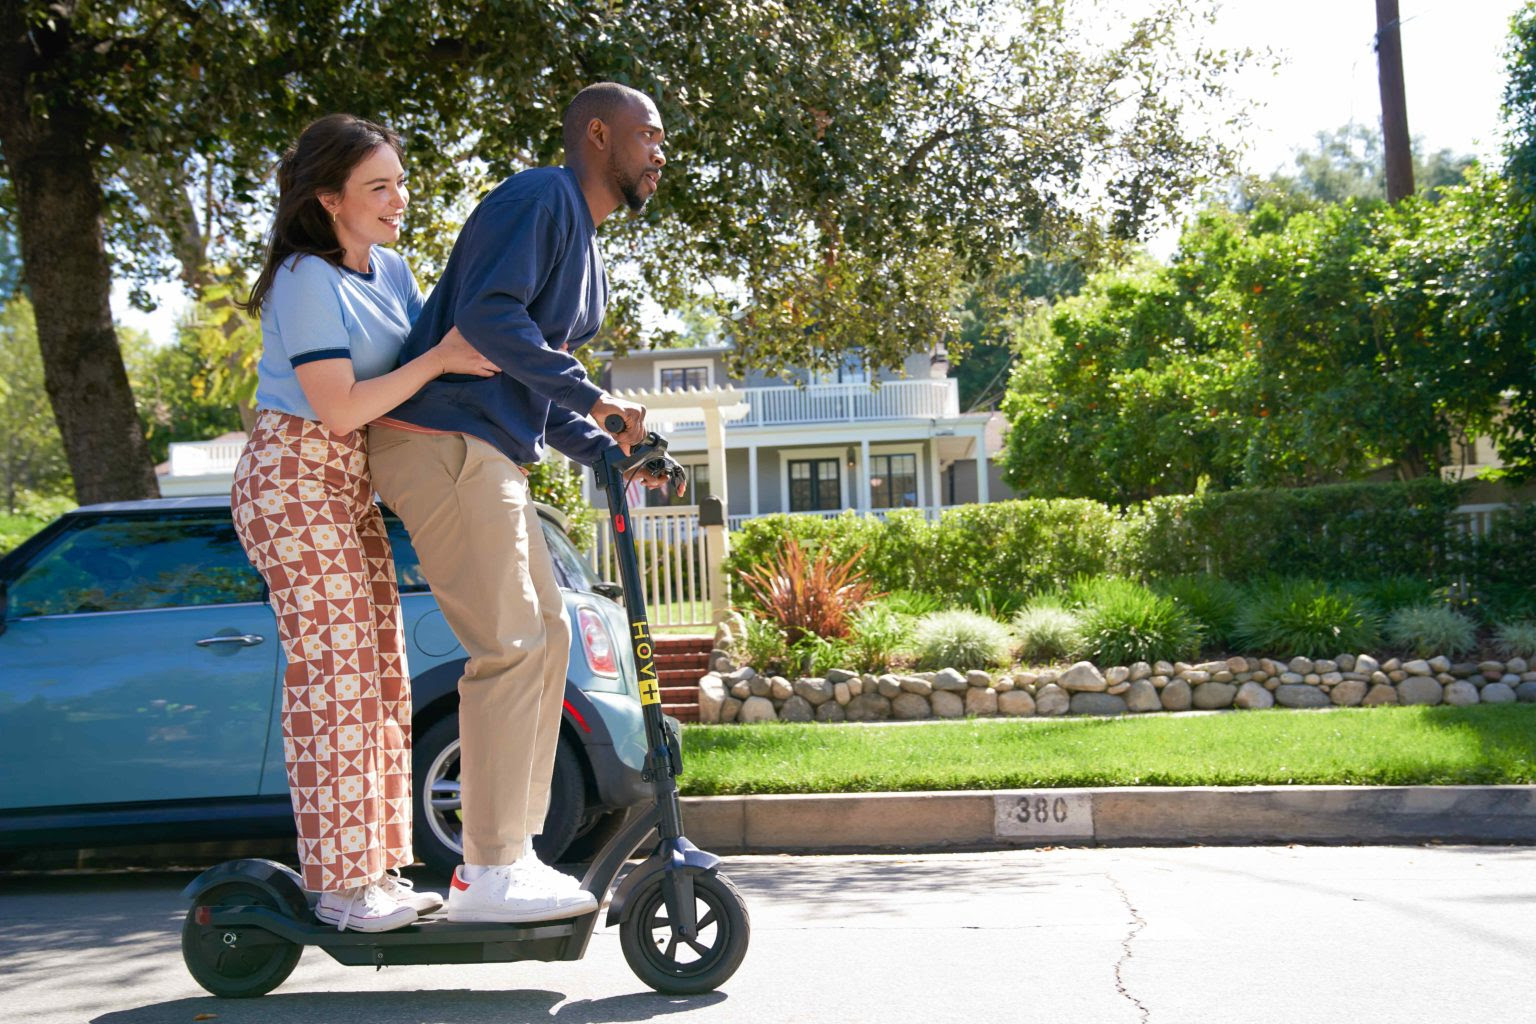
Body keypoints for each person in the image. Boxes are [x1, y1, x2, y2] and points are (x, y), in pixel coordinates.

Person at [367, 82, 670, 923]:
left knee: (547, 634)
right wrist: (595, 401)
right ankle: (488, 871)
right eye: (647, 137)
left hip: (486, 445)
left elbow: (531, 382)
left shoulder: (585, 243)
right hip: (440, 440)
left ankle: (508, 858)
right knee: (508, 642)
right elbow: (487, 319)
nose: (659, 155)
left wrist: (605, 441)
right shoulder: (542, 197)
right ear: (599, 135)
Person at [231, 113, 499, 933]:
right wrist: (441, 358)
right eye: (378, 187)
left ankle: (374, 872)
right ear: (329, 200)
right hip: (291, 478)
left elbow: (427, 376)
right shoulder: (307, 278)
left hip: (347, 484)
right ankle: (341, 888)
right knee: (334, 673)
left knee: (379, 668)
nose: (399, 198)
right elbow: (341, 407)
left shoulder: (393, 271)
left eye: (401, 181)